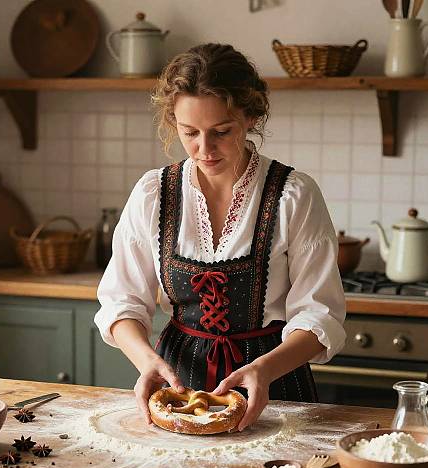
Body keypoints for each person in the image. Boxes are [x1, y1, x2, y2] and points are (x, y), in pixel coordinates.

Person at [95, 43, 346, 431]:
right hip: (179, 387)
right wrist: (146, 361)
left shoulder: (293, 195)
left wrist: (264, 369)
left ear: (249, 116)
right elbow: (121, 301)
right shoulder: (153, 194)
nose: (204, 149)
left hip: (273, 385)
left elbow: (320, 315)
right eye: (189, 132)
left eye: (221, 131)